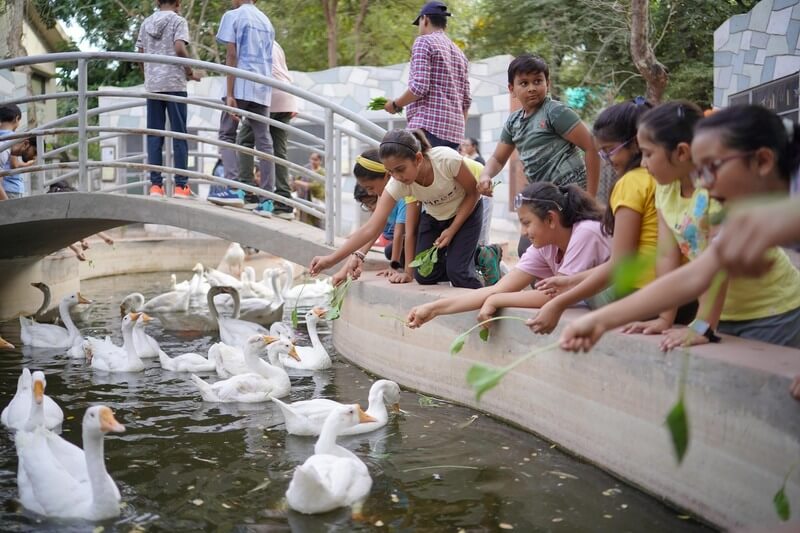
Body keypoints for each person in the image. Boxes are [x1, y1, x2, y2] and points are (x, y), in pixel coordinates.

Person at [560, 104, 800, 353]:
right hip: (733, 313)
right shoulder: (745, 213)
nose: (703, 183)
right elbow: (698, 273)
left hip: (774, 313)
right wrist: (599, 321)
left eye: (711, 167)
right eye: (699, 169)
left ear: (762, 161)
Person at [527, 99, 658, 334]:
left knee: (582, 297)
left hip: (639, 296)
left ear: (636, 143)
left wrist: (558, 303)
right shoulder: (658, 178)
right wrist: (570, 281)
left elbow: (619, 265)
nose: (607, 160)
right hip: (665, 294)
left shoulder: (630, 183)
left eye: (609, 151)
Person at [406, 181, 610, 328]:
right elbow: (497, 289)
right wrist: (433, 309)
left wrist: (498, 301)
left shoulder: (586, 233)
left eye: (527, 223)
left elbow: (556, 295)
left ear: (550, 219)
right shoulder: (545, 245)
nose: (523, 232)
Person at [310, 129, 485, 288]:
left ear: (417, 159)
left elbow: (473, 194)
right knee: (423, 275)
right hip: (435, 216)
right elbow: (371, 228)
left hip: (466, 211)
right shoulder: (398, 183)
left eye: (400, 169)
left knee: (459, 274)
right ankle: (464, 261)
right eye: (390, 172)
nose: (396, 177)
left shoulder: (446, 159)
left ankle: (481, 270)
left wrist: (453, 230)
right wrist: (331, 260)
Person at [476, 54, 601, 257]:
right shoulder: (513, 122)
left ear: (547, 83)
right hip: (543, 199)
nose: (532, 88)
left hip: (571, 197)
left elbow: (591, 147)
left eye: (537, 81)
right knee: (527, 250)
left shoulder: (555, 113)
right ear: (512, 89)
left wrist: (590, 198)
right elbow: (498, 159)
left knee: (566, 252)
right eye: (524, 83)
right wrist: (485, 175)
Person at [208, 0, 275, 208]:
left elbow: (231, 54)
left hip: (241, 85)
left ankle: (233, 188)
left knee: (227, 134)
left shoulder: (233, 15)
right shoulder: (266, 21)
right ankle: (267, 201)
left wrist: (229, 93)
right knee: (264, 143)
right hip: (263, 87)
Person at [383, 1, 471, 150]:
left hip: (427, 129)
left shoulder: (424, 42)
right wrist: (459, 135)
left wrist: (395, 105)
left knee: (405, 169)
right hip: (454, 135)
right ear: (445, 25)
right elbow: (466, 101)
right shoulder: (460, 54)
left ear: (425, 19)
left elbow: (419, 87)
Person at [136, 0, 201, 199]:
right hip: (174, 84)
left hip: (154, 86)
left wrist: (148, 75)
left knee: (154, 135)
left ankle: (156, 186)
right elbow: (179, 48)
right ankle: (181, 186)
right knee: (179, 134)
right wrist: (189, 71)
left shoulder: (146, 23)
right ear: (178, 3)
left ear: (157, 2)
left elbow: (140, 55)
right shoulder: (178, 21)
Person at [331, 150, 419, 286]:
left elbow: (400, 233)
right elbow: (372, 230)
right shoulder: (383, 195)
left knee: (421, 273)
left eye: (370, 187)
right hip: (406, 240)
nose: (370, 192)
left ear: (386, 176)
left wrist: (396, 268)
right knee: (389, 251)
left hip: (421, 236)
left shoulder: (403, 194)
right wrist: (345, 270)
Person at [236, 40, 297, 219]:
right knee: (279, 151)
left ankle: (247, 191)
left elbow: (249, 73)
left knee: (245, 140)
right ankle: (284, 202)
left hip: (268, 96)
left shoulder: (251, 43)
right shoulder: (275, 43)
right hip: (287, 96)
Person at [0, 104, 36, 199]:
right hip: (12, 188)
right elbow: (14, 164)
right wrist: (6, 202)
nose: (20, 155)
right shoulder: (8, 143)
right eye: (25, 152)